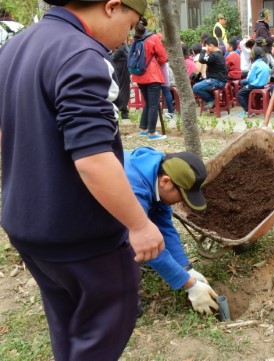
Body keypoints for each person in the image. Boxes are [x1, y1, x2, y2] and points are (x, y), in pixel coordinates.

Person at [0, 1, 165, 360]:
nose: (126, 38)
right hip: (82, 236)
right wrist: (139, 224)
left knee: (69, 325)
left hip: (27, 225)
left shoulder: (15, 47)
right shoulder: (82, 55)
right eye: (131, 23)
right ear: (111, 7)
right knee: (102, 330)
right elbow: (92, 158)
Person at [124, 147, 219, 315]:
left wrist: (186, 267)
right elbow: (147, 245)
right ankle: (117, 296)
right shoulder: (134, 192)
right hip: (79, 220)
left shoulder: (157, 170)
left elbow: (164, 225)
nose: (182, 201)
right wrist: (190, 285)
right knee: (121, 246)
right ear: (166, 181)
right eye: (182, 195)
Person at [131, 18, 168, 140]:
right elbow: (163, 57)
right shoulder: (153, 38)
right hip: (152, 75)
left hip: (139, 75)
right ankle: (152, 133)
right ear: (146, 25)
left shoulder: (134, 39)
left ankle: (143, 128)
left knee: (148, 102)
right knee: (154, 104)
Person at [192, 36, 228, 109]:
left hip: (217, 81)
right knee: (199, 81)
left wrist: (203, 50)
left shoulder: (215, 55)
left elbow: (201, 59)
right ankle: (211, 98)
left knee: (195, 87)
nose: (207, 49)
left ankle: (211, 100)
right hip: (218, 79)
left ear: (211, 45)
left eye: (207, 47)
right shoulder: (219, 53)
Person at [236, 47, 270, 117]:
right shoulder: (264, 64)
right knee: (243, 84)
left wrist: (247, 81)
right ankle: (248, 99)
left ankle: (248, 111)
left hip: (255, 85)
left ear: (253, 55)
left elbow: (250, 79)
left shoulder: (255, 65)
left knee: (240, 94)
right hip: (262, 84)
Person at [112, 43, 131, 120]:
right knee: (123, 87)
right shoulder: (120, 41)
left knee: (118, 86)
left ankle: (120, 109)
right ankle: (123, 111)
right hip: (121, 63)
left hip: (117, 63)